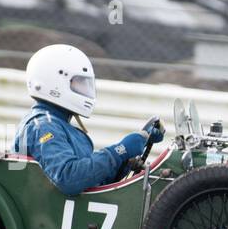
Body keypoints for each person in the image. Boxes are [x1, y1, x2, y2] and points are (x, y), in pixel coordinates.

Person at [14, 44, 165, 196]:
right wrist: (119, 151)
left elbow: (91, 181)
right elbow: (69, 179)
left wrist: (126, 159)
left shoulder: (57, 124)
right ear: (55, 81)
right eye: (79, 83)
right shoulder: (44, 126)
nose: (85, 89)